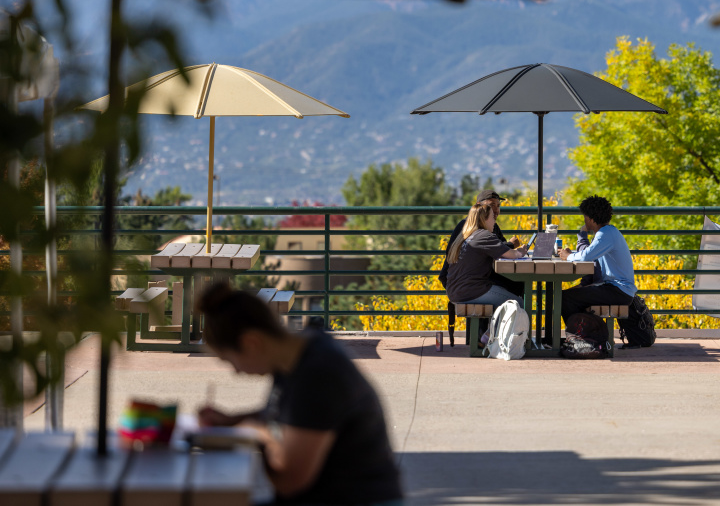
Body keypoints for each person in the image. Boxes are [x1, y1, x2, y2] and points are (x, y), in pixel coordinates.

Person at [196, 282, 403, 506]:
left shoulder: (317, 374)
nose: (236, 372)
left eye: (230, 360)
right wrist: (230, 420)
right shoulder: (297, 354)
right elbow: (289, 414)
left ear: (251, 342)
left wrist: (252, 431)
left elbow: (289, 481)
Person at [557, 195, 637, 324]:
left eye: (585, 217)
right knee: (570, 296)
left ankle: (578, 336)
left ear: (591, 219)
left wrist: (568, 256)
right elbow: (589, 254)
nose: (584, 221)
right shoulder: (609, 232)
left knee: (566, 298)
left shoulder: (605, 234)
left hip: (619, 291)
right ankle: (582, 334)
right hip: (615, 289)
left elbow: (585, 256)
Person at [445, 201, 528, 312]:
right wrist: (521, 251)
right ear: (484, 219)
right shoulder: (484, 235)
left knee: (503, 296)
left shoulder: (464, 235)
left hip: (454, 291)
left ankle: (491, 330)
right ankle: (495, 330)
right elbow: (512, 254)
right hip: (470, 291)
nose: (494, 221)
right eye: (492, 217)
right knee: (518, 304)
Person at [439, 189, 523, 297]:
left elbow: (498, 248)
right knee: (516, 285)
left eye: (498, 206)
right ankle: (514, 310)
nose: (496, 210)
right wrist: (511, 245)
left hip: (468, 281)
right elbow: (499, 250)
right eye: (492, 205)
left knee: (517, 283)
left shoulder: (491, 226)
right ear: (479, 206)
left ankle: (510, 310)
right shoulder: (467, 227)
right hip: (467, 283)